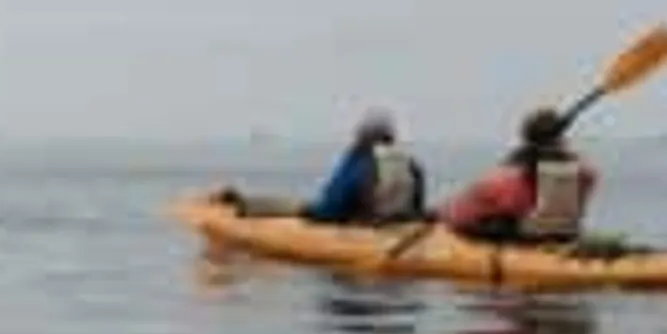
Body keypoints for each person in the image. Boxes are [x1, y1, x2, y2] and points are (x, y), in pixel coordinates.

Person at [214, 109, 428, 224]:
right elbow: (416, 207)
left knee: (296, 207)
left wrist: (314, 214)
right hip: (399, 224)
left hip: (359, 225)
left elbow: (331, 207)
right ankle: (243, 201)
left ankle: (242, 205)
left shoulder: (360, 159)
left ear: (364, 135)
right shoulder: (411, 163)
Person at [438, 107, 598, 244]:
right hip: (557, 235)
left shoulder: (505, 181)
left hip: (517, 234)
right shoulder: (584, 174)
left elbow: (459, 215)